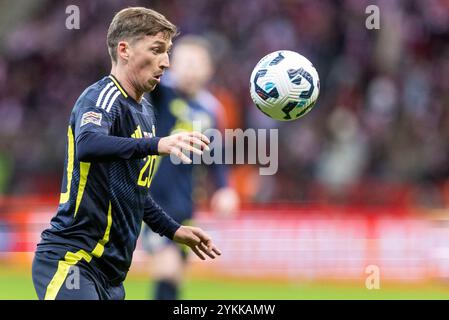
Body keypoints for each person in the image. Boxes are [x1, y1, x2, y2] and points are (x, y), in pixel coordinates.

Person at [31, 7, 221, 300]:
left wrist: (173, 230)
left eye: (167, 51)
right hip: (72, 261)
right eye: (157, 50)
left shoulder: (145, 111)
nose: (166, 62)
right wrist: (157, 144)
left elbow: (134, 192)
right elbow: (88, 145)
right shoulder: (103, 96)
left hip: (111, 276)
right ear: (125, 50)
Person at [143, 36, 239, 300]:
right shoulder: (160, 94)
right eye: (184, 62)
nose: (190, 69)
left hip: (184, 203)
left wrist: (224, 189)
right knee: (167, 267)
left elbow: (216, 153)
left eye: (197, 63)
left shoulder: (210, 109)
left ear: (209, 70)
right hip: (151, 199)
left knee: (175, 276)